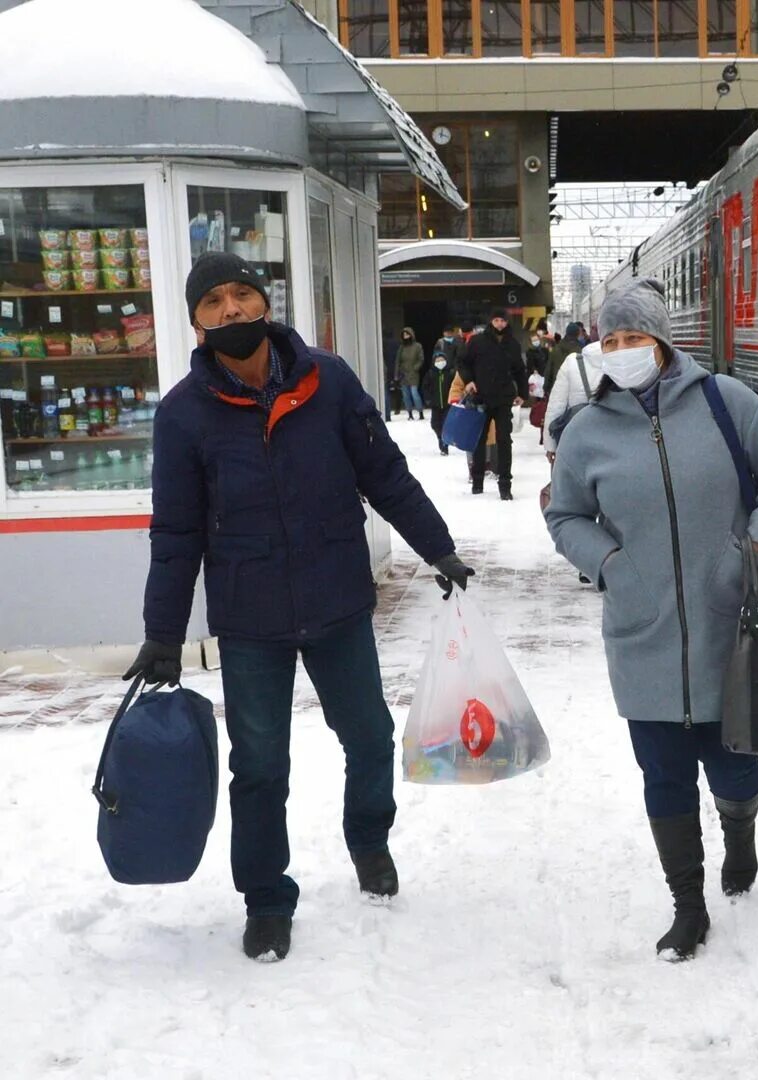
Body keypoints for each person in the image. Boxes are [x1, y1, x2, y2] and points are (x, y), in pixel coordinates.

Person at [126, 252, 477, 963]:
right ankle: (264, 895)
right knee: (259, 766)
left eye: (242, 295)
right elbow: (177, 532)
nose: (230, 310)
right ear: (196, 322)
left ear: (265, 303)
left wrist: (436, 547)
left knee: (371, 737)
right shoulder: (184, 416)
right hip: (249, 617)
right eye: (213, 301)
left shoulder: (327, 380)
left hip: (337, 599)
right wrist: (163, 632)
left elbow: (384, 473)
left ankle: (369, 839)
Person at [544, 280, 758, 962]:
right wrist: (608, 564)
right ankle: (688, 906)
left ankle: (740, 832)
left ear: (663, 342)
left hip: (729, 624)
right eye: (612, 341)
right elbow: (564, 514)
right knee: (662, 774)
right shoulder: (586, 432)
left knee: (735, 768)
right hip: (642, 626)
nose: (623, 351)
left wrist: (755, 543)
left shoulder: (727, 402)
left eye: (635, 338)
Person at [457, 308, 528, 500]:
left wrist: (522, 393)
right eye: (496, 320)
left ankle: (505, 484)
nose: (499, 324)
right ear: (491, 322)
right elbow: (463, 362)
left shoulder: (512, 344)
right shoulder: (478, 342)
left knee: (504, 440)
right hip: (482, 397)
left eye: (502, 321)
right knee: (479, 440)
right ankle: (477, 481)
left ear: (507, 322)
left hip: (504, 399)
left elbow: (520, 370)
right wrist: (469, 380)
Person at [425, 331, 459, 455]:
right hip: (435, 404)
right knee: (435, 424)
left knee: (445, 424)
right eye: (437, 360)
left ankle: (444, 444)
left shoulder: (450, 373)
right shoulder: (430, 374)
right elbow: (425, 387)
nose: (440, 362)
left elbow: (455, 386)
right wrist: (428, 398)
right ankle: (440, 438)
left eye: (442, 359)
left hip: (447, 403)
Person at [395, 327, 426, 420]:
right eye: (404, 335)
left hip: (413, 374)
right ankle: (410, 414)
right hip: (403, 374)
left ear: (411, 335)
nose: (406, 336)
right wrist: (396, 374)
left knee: (414, 393)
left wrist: (415, 368)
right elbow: (397, 361)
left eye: (407, 334)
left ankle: (420, 412)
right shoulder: (401, 347)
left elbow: (421, 359)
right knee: (406, 395)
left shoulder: (417, 346)